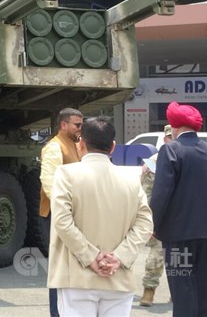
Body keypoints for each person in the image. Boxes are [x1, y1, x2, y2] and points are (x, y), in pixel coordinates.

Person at [48, 116, 153, 316]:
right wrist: (118, 258)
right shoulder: (131, 179)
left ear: (81, 144)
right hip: (118, 278)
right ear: (113, 147)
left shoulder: (66, 175)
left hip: (76, 277)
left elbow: (62, 222)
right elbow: (145, 224)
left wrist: (91, 257)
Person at [150, 102, 207, 316]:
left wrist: (153, 224)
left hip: (179, 234)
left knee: (182, 287)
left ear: (174, 126)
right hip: (206, 232)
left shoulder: (170, 150)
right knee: (202, 284)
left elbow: (162, 193)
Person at [39, 108, 83, 316]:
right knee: (59, 269)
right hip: (57, 216)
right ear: (63, 125)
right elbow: (49, 183)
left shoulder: (76, 145)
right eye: (77, 125)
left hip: (70, 215)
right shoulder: (54, 147)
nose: (80, 129)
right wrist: (64, 211)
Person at [139, 124, 173, 307]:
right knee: (157, 255)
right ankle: (149, 290)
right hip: (159, 216)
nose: (171, 140)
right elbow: (146, 193)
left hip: (180, 217)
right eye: (169, 137)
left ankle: (178, 291)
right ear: (165, 139)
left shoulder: (186, 157)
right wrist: (150, 221)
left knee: (180, 256)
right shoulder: (154, 161)